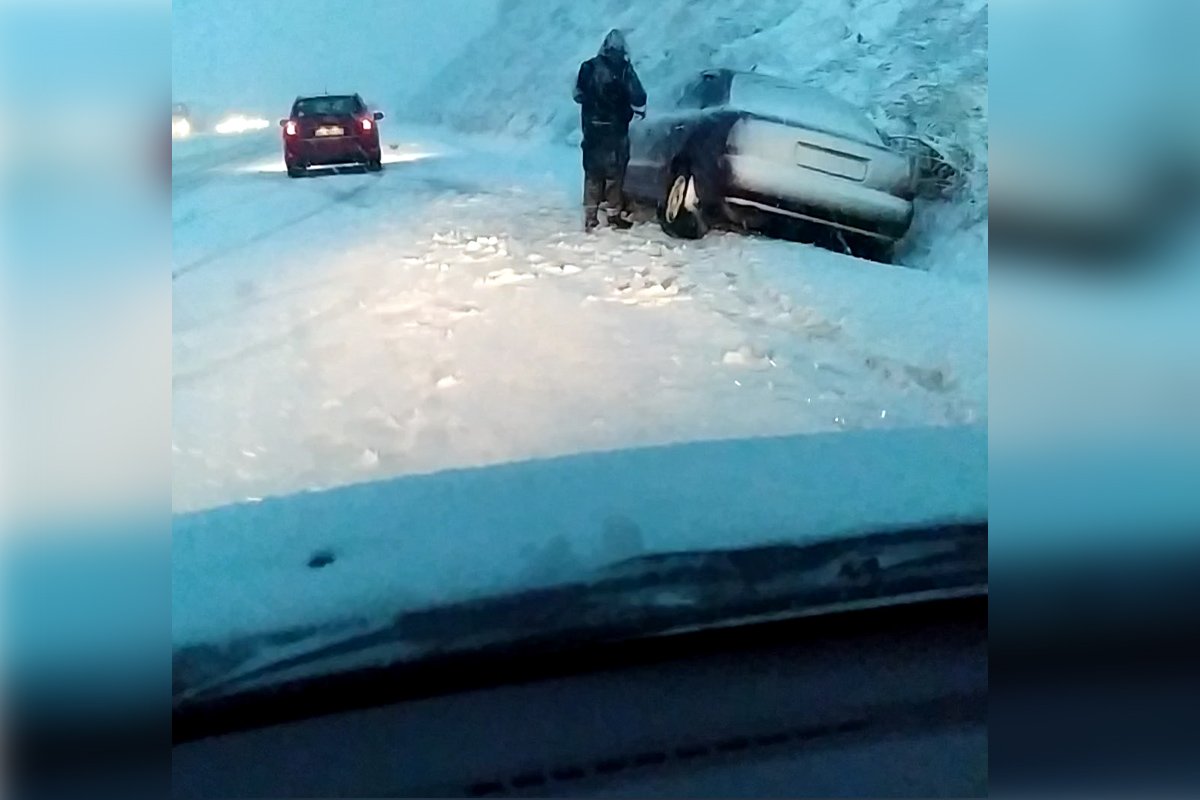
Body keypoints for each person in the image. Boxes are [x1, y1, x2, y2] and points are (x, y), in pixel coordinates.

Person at [573, 29, 647, 232]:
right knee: (615, 172)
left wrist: (593, 104)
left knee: (592, 171)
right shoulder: (624, 69)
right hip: (616, 128)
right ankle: (614, 216)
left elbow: (577, 94)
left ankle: (590, 217)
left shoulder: (587, 67)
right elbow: (638, 96)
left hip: (591, 127)